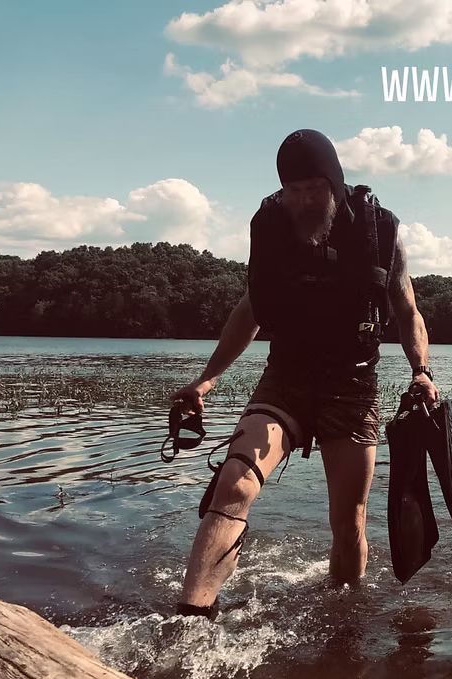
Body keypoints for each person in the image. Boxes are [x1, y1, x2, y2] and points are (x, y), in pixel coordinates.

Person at [169, 128, 438, 618]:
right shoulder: (271, 226)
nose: (306, 200)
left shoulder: (380, 231)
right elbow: (250, 309)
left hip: (353, 382)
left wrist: (421, 371)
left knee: (348, 518)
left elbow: (407, 311)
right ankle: (191, 617)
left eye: (315, 188)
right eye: (294, 191)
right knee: (233, 483)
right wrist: (206, 379)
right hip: (287, 376)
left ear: (335, 183)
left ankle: (344, 621)